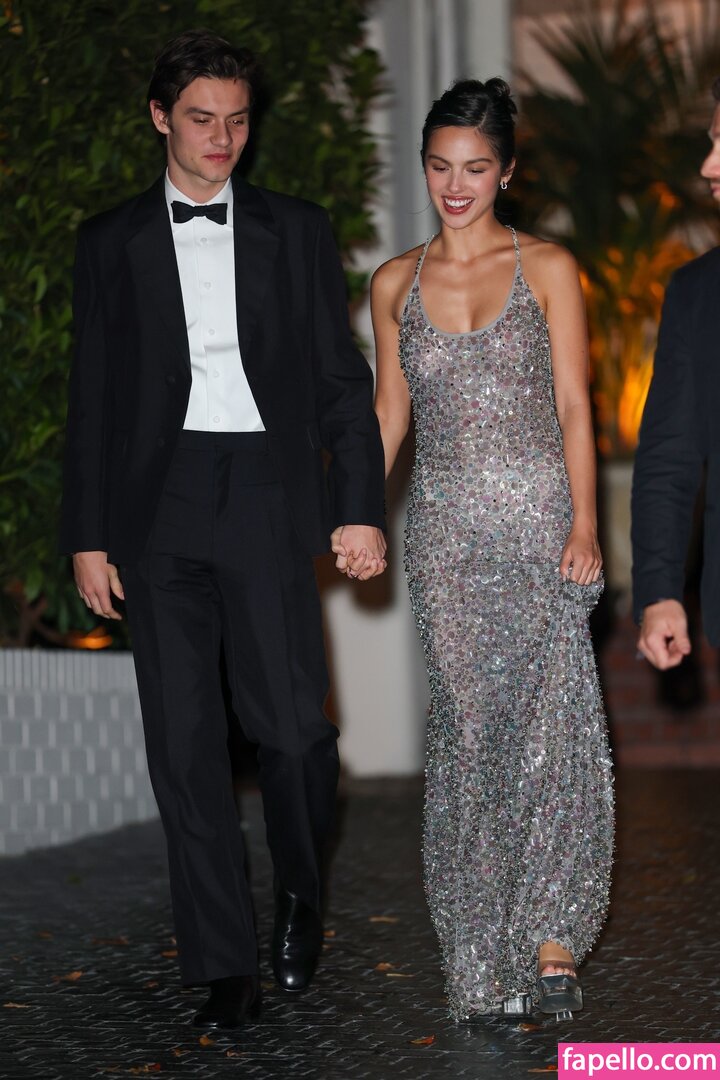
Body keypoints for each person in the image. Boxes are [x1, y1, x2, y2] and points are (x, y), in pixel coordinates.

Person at [59, 29, 386, 1030]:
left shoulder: (297, 229)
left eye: (238, 121)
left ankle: (300, 890)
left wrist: (358, 507)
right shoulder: (108, 241)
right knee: (185, 742)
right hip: (155, 508)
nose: (222, 139)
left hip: (265, 493)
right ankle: (222, 963)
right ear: (161, 117)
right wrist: (86, 535)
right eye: (201, 119)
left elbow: (342, 385)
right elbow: (93, 397)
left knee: (295, 732)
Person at [372, 79, 613, 1021]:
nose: (455, 185)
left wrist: (586, 523)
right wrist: (351, 513)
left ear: (507, 171)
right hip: (446, 538)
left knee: (553, 732)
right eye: (440, 166)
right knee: (471, 738)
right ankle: (482, 955)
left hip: (542, 524)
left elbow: (576, 406)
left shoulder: (548, 267)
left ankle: (552, 942)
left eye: (475, 168)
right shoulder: (393, 283)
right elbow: (389, 418)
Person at [632, 78, 720, 669]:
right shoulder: (696, 293)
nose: (708, 165)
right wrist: (660, 590)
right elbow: (668, 456)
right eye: (712, 142)